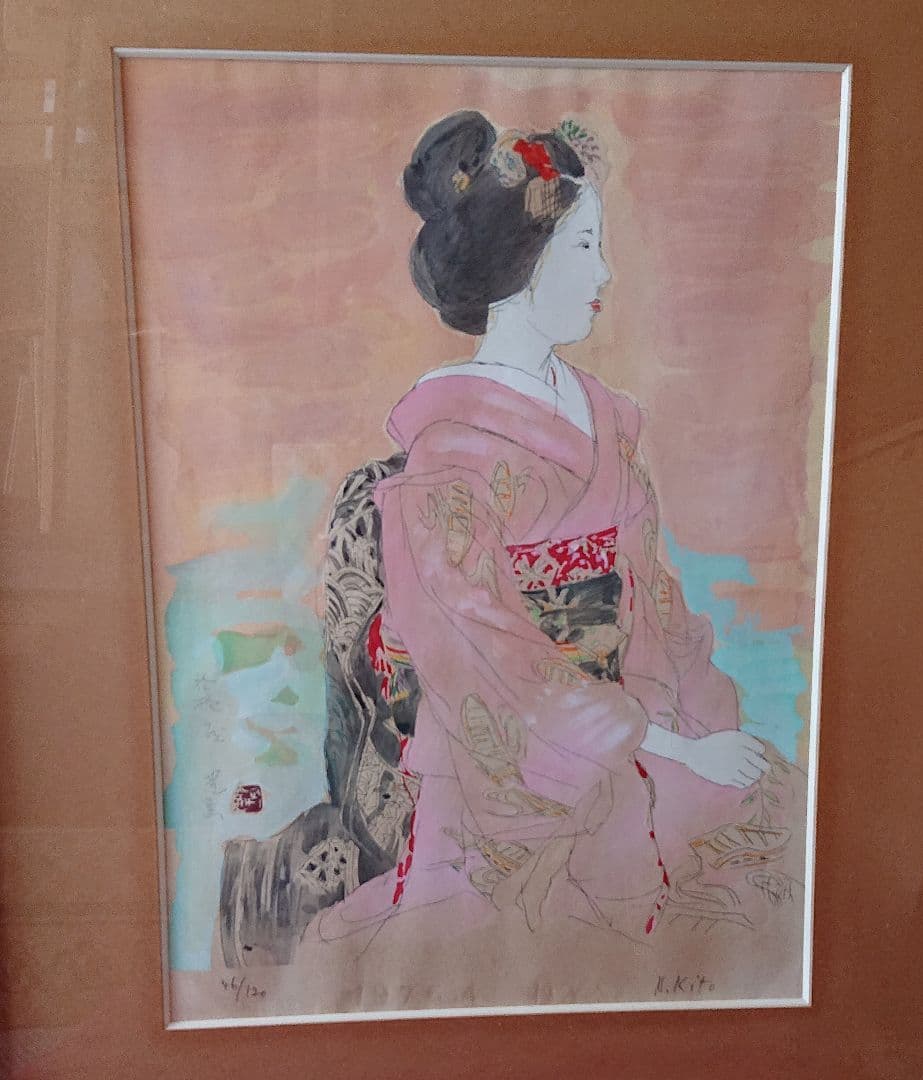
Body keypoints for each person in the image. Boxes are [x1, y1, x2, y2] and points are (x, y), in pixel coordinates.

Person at [297, 111, 804, 1002]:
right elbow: (481, 650)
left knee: (781, 826)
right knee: (557, 923)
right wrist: (653, 743)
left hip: (644, 714)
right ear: (520, 261)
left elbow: (655, 603)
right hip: (517, 755)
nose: (604, 275)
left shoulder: (604, 420)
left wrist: (697, 728)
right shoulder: (448, 451)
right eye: (584, 248)